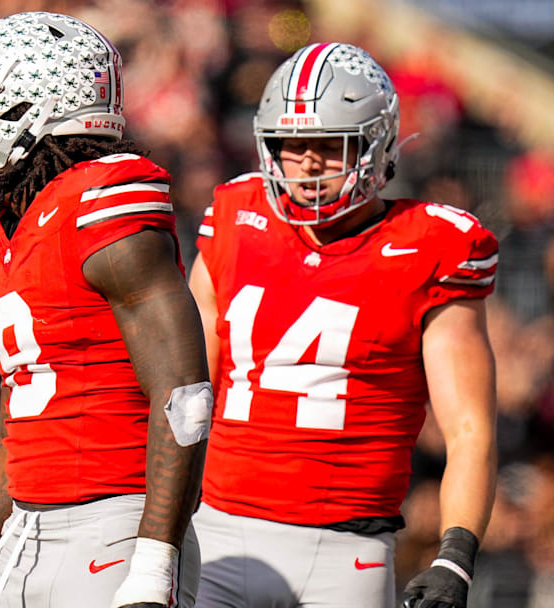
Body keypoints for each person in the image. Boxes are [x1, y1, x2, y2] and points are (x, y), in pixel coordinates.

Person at [0, 11, 212, 608]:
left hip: (118, 525)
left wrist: (153, 565)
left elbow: (184, 393)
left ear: (23, 108)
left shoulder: (103, 200)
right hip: (28, 526)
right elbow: (22, 433)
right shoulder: (0, 228)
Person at [181, 42, 498, 608]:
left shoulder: (434, 245)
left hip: (346, 550)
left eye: (328, 145)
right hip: (217, 532)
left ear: (376, 145)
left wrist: (456, 553)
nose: (305, 162)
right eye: (290, 143)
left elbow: (470, 428)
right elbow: (185, 389)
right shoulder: (236, 217)